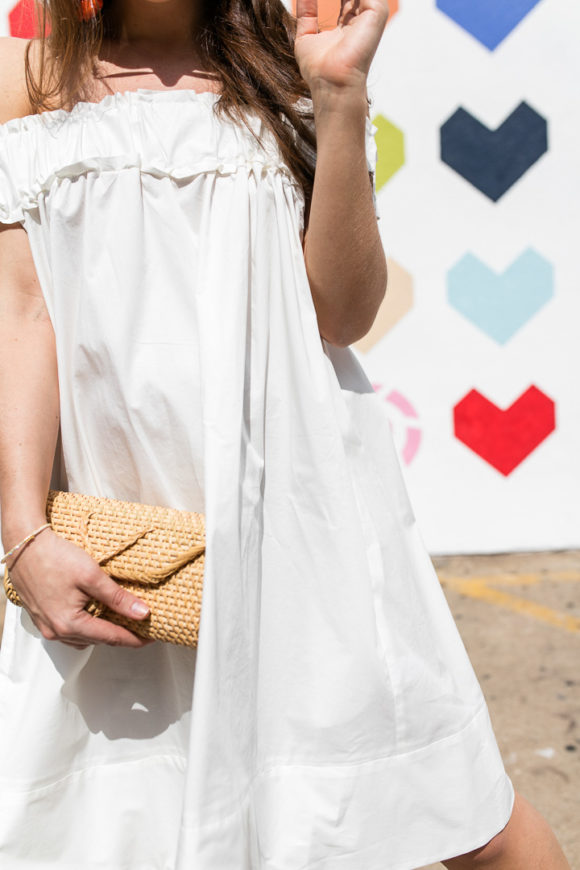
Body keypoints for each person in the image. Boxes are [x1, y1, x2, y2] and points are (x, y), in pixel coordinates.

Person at [0, 0, 571, 867]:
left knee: (470, 824)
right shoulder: (25, 82)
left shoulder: (289, 69)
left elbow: (345, 312)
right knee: (116, 827)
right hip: (117, 548)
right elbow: (23, 312)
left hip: (305, 519)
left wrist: (339, 96)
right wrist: (22, 536)